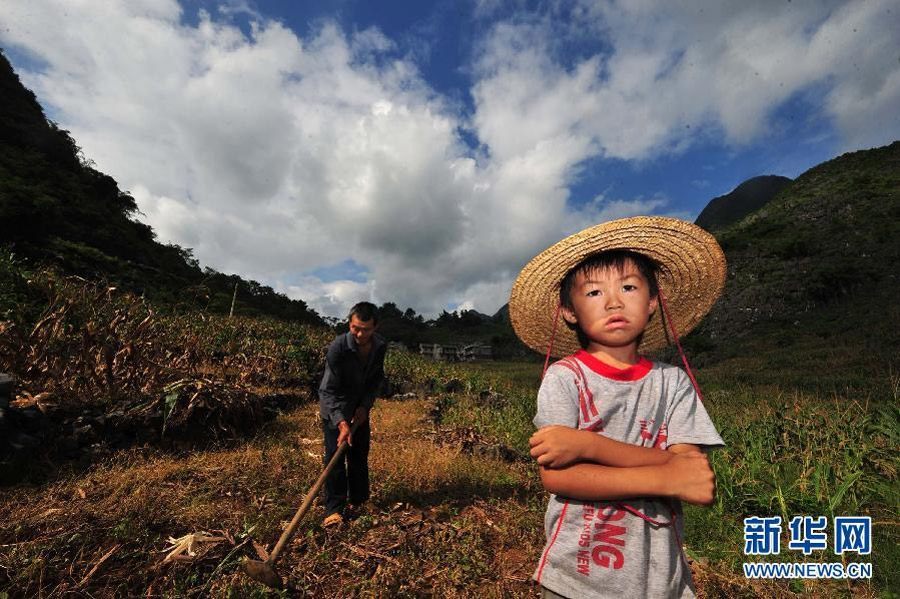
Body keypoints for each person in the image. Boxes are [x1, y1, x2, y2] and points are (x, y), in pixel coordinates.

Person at [508, 216, 727, 598]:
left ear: (653, 302)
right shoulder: (566, 377)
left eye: (629, 287)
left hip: (662, 579)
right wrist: (665, 476)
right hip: (577, 578)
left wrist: (587, 446)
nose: (613, 301)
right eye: (593, 293)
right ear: (569, 312)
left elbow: (691, 470)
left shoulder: (672, 381)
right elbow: (558, 477)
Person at [318, 301, 386, 527]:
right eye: (355, 327)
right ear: (349, 323)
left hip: (359, 410)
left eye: (365, 329)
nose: (359, 333)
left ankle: (359, 501)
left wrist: (365, 407)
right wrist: (340, 422)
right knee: (334, 459)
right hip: (334, 407)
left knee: (358, 455)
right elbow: (328, 390)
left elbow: (375, 380)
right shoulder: (338, 347)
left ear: (375, 327)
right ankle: (334, 509)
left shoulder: (379, 347)